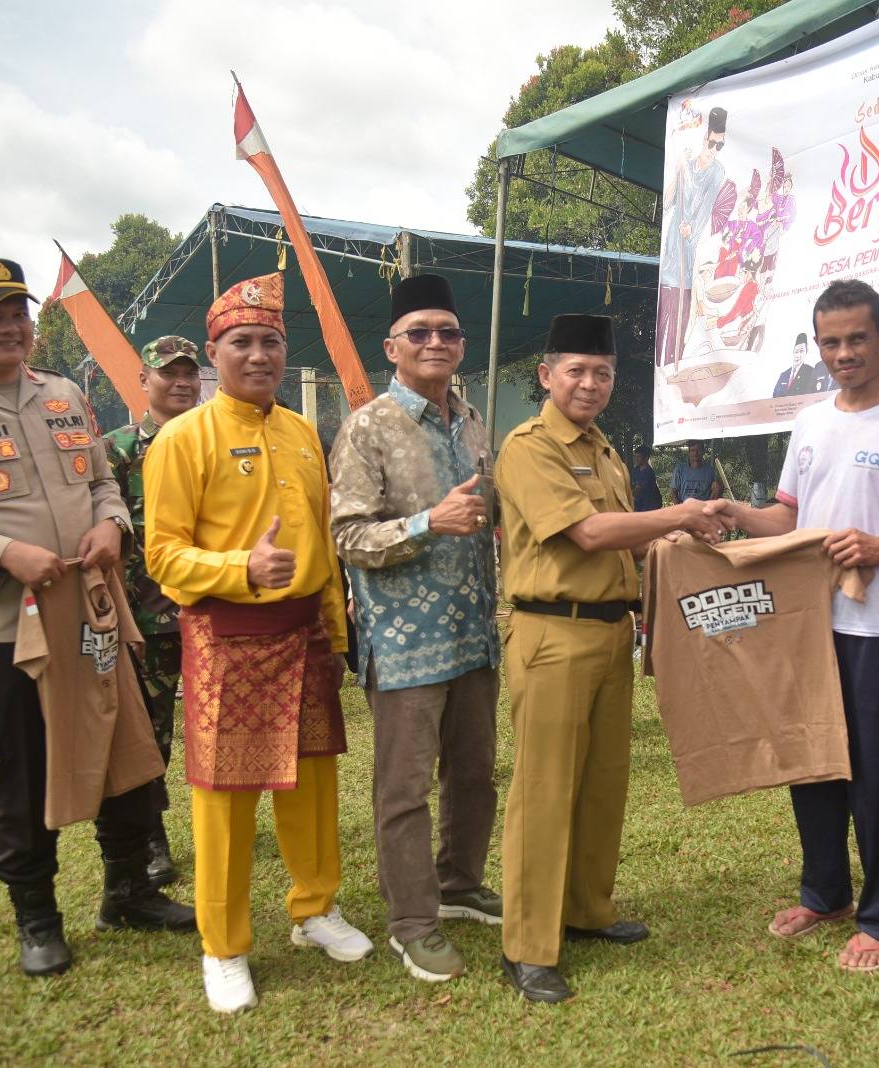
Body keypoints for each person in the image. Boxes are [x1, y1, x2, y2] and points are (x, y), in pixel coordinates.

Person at [0, 258, 192, 978]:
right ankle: (38, 918)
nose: (10, 327)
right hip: (0, 629)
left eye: (18, 313)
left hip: (91, 614)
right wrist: (1, 553)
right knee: (21, 773)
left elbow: (103, 481)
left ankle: (130, 892)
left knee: (127, 753)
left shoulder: (63, 394)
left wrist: (111, 523)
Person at [715, 278, 879, 973]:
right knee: (812, 761)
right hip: (806, 624)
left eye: (857, 339)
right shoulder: (810, 422)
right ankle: (825, 893)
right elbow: (789, 518)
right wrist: (737, 515)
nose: (844, 354)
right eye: (831, 342)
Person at [143, 273, 372, 1014]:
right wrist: (240, 567)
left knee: (312, 781)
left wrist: (336, 631)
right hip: (227, 635)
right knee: (226, 798)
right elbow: (163, 555)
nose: (258, 354)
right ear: (214, 354)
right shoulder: (182, 439)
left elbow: (324, 544)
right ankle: (224, 945)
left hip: (305, 632)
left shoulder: (302, 432)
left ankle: (315, 907)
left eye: (270, 341)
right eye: (241, 342)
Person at [494, 313, 732, 1003]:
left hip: (610, 633)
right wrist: (681, 514)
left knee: (603, 782)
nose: (590, 384)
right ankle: (527, 946)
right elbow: (590, 532)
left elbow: (628, 541)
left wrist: (681, 544)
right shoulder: (529, 447)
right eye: (576, 371)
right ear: (547, 375)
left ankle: (586, 910)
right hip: (551, 635)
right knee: (545, 789)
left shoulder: (604, 450)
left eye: (602, 373)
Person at [328, 275, 502, 985]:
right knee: (404, 789)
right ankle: (411, 921)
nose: (436, 342)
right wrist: (430, 522)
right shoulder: (367, 427)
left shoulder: (472, 420)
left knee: (475, 774)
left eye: (448, 332)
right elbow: (347, 535)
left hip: (474, 633)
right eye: (420, 332)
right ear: (391, 347)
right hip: (404, 643)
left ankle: (459, 882)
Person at [102, 334, 201, 887]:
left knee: (222, 728)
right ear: (144, 380)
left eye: (189, 372)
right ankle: (151, 839)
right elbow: (105, 540)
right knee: (149, 734)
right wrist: (120, 621)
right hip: (148, 619)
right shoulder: (117, 450)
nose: (181, 382)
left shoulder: (217, 438)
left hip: (214, 613)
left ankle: (221, 820)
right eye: (169, 372)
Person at [659, 107, 728, 366]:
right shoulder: (686, 165)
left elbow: (707, 208)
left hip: (688, 259)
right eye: (712, 143)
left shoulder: (717, 171)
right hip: (670, 253)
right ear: (704, 139)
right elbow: (667, 203)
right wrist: (678, 171)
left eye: (720, 146)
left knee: (679, 324)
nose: (714, 150)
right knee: (663, 320)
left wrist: (692, 230)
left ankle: (673, 366)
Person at [631, 445, 663, 512]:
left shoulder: (649, 473)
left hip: (650, 506)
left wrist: (627, 496)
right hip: (639, 505)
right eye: (635, 456)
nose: (636, 459)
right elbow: (633, 485)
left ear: (646, 457)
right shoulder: (636, 470)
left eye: (639, 457)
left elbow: (638, 489)